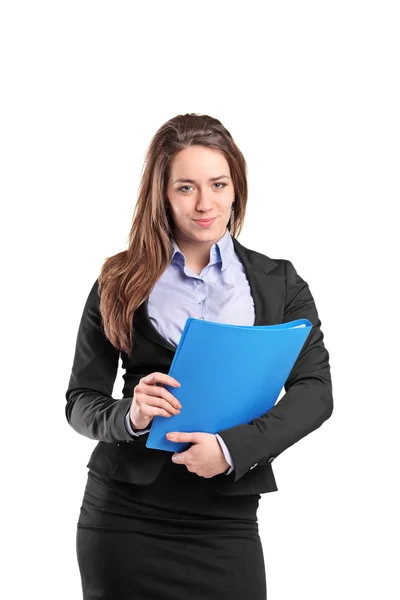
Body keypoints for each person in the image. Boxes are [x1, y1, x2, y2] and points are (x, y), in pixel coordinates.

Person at [65, 112, 334, 600]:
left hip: (227, 523)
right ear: (162, 195)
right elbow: (81, 401)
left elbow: (315, 393)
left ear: (237, 188)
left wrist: (233, 448)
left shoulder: (280, 283)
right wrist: (130, 415)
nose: (205, 204)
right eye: (186, 187)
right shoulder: (119, 280)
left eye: (218, 184)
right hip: (125, 518)